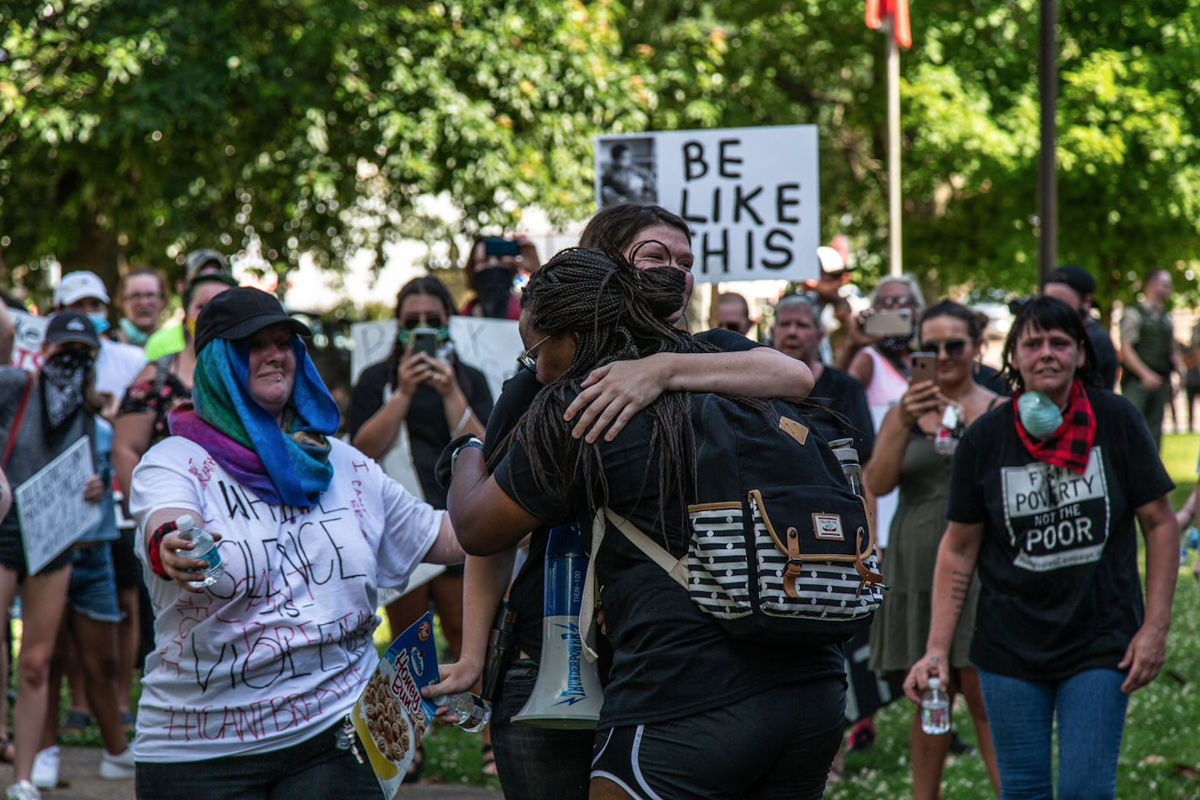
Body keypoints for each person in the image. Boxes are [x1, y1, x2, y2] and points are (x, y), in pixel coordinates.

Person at [426, 203, 816, 800]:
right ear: (602, 265)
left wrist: (660, 369)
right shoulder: (540, 378)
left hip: (670, 655)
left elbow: (795, 377)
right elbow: (489, 523)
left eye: (686, 262)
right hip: (552, 644)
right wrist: (475, 653)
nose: (676, 273)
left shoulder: (708, 354)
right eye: (655, 256)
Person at [127, 287, 465, 800]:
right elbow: (169, 522)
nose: (275, 354)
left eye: (284, 341)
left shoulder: (342, 465)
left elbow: (449, 536)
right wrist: (178, 546)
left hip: (338, 735)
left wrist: (530, 496)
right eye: (254, 344)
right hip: (202, 751)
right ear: (218, 363)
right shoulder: (176, 459)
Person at [905, 296, 1179, 800]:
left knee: (1085, 791)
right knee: (1024, 791)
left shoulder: (1115, 420)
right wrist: (938, 651)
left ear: (1080, 352)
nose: (1046, 354)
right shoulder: (985, 438)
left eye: (1059, 342)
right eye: (1032, 344)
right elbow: (959, 548)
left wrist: (1155, 627)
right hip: (1010, 647)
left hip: (1100, 641)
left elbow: (1160, 524)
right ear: (1014, 358)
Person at [346, 275, 492, 779]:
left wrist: (451, 390)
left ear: (449, 322)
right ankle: (406, 748)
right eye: (413, 322)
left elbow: (487, 447)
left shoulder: (469, 376)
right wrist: (403, 392)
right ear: (398, 326)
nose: (423, 329)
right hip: (400, 529)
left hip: (458, 527)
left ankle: (489, 737)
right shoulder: (375, 380)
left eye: (433, 321)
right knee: (409, 646)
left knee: (467, 633)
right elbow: (362, 450)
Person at [864, 301, 1002, 800]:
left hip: (981, 562)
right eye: (931, 347)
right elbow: (876, 482)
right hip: (916, 559)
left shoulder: (999, 409)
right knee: (930, 690)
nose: (942, 356)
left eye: (954, 345)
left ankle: (1014, 792)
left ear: (976, 348)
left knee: (983, 689)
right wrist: (902, 419)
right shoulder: (903, 411)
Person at [107, 268, 238, 739]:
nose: (214, 316)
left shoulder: (254, 380)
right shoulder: (158, 377)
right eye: (205, 307)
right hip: (173, 532)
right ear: (186, 316)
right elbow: (125, 447)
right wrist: (150, 515)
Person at [0, 313, 116, 800]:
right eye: (63, 349)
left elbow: (97, 477)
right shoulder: (15, 386)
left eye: (82, 353)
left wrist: (98, 485)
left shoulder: (90, 418)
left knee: (37, 662)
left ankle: (23, 779)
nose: (71, 362)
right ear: (43, 351)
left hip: (54, 540)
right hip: (4, 531)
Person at [847, 274, 925, 558]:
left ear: (918, 310)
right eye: (886, 303)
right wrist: (854, 344)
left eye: (903, 303)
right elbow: (841, 396)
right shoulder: (868, 357)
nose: (894, 310)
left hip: (916, 483)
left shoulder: (925, 359)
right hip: (879, 487)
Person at [772, 293, 873, 461]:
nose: (792, 332)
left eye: (802, 325)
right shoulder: (756, 389)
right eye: (785, 324)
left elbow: (864, 453)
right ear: (772, 332)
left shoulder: (845, 387)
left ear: (820, 336)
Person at [54, 271, 147, 416]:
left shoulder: (135, 360)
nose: (88, 312)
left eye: (95, 304)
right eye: (78, 305)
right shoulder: (41, 362)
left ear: (106, 311)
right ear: (59, 311)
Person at [1119, 269, 1180, 450]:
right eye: (1166, 285)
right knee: (1133, 428)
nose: (1170, 289)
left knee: (1155, 431)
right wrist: (1146, 375)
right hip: (1137, 382)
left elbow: (1172, 349)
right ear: (1153, 286)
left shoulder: (1166, 318)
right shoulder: (1134, 314)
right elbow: (1126, 349)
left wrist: (1179, 372)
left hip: (1161, 380)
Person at [143, 249, 234, 362]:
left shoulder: (244, 344)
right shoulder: (160, 343)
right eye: (198, 280)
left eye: (216, 277)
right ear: (182, 287)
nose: (208, 285)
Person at [1042, 265, 1117, 389]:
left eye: (1061, 304)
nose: (1051, 311)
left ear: (1086, 302)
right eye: (1046, 303)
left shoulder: (1094, 339)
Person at [460, 236, 540, 320]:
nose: (493, 264)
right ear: (473, 268)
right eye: (484, 260)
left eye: (500, 259)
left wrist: (537, 273)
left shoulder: (526, 313)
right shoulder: (466, 314)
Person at [111, 269, 168, 348]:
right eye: (136, 296)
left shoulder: (178, 349)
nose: (144, 303)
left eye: (151, 295)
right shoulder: (107, 345)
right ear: (121, 302)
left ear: (163, 301)